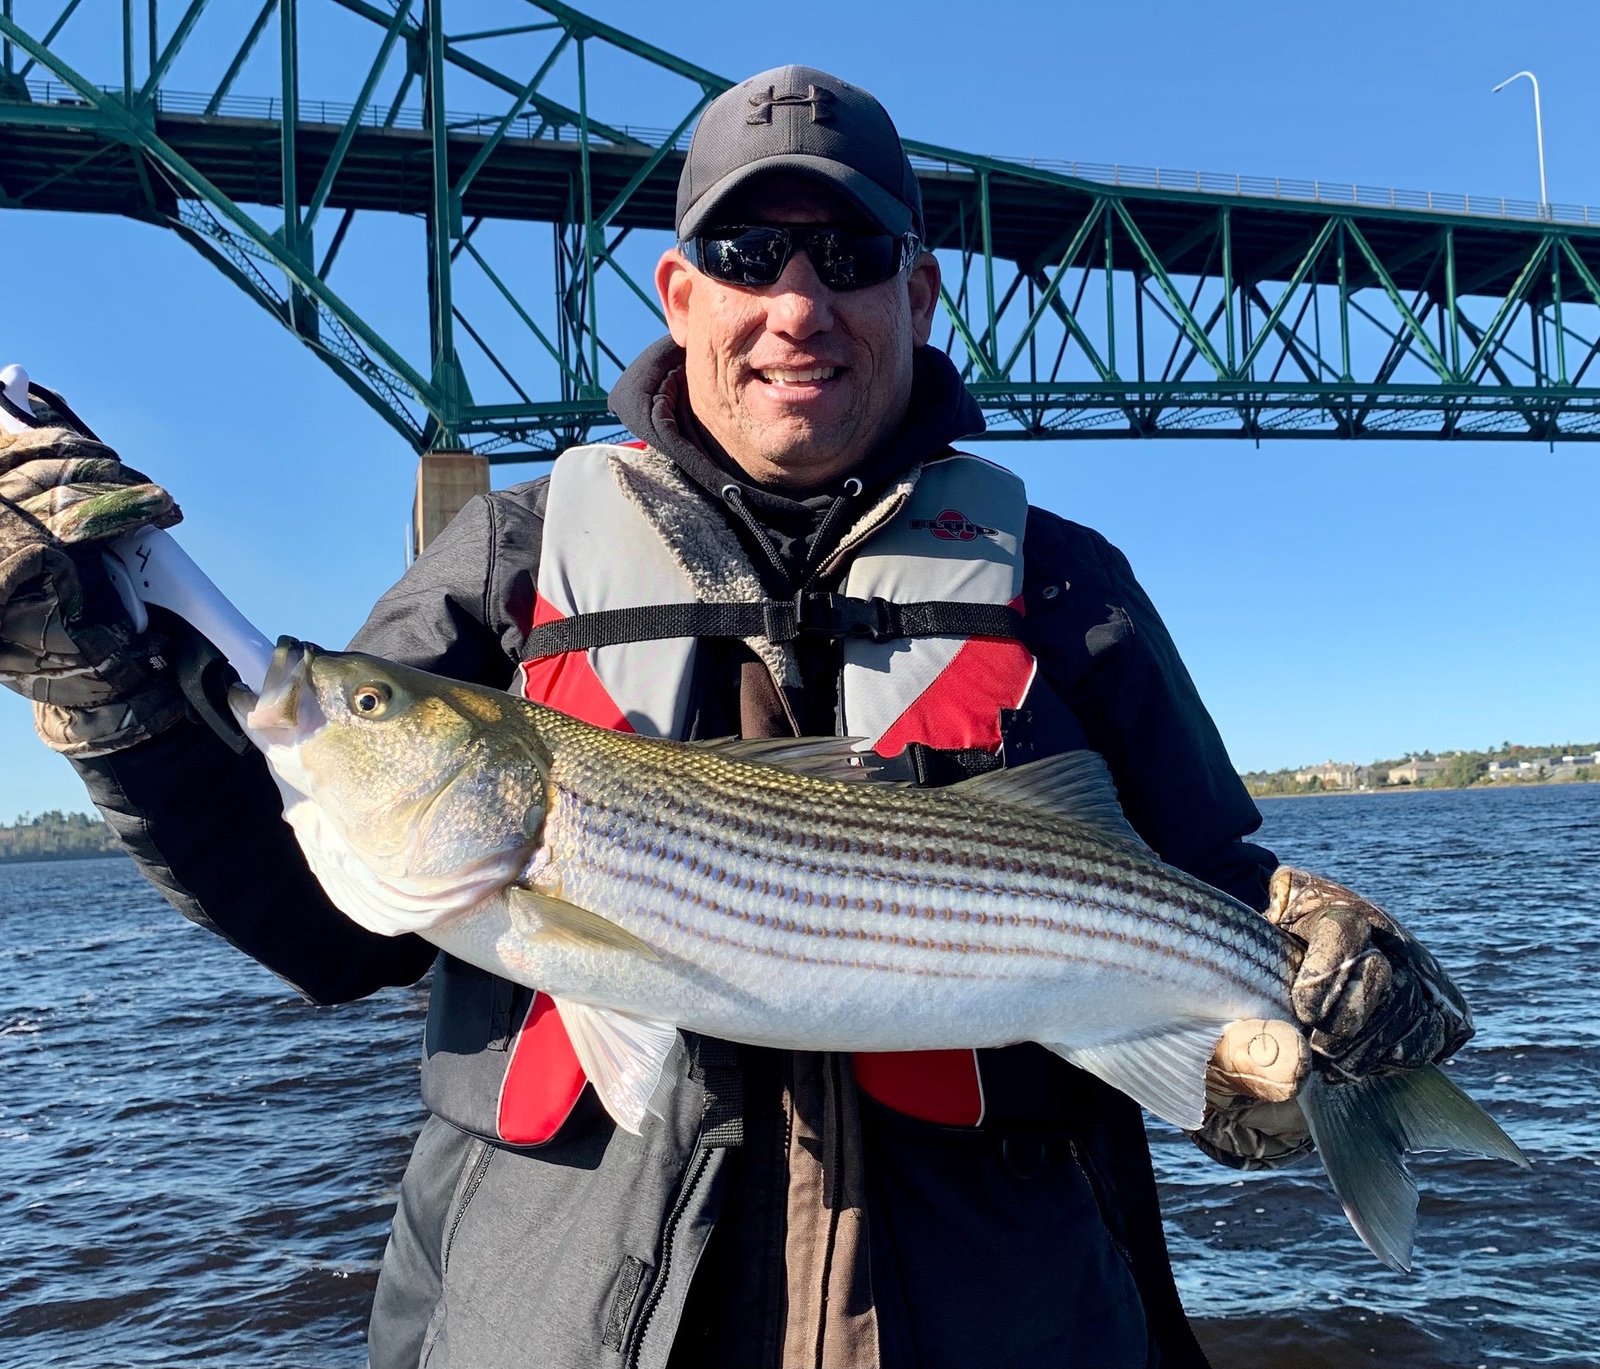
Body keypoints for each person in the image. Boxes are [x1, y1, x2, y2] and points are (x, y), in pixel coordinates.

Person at [0, 66, 1474, 1369]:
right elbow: (312, 901)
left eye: (849, 253)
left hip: (1005, 1317)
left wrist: (1324, 950)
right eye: (747, 251)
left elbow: (1212, 874)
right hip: (569, 1315)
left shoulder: (1069, 586)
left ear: (920, 291)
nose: (796, 304)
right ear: (678, 292)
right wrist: (104, 691)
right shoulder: (513, 563)